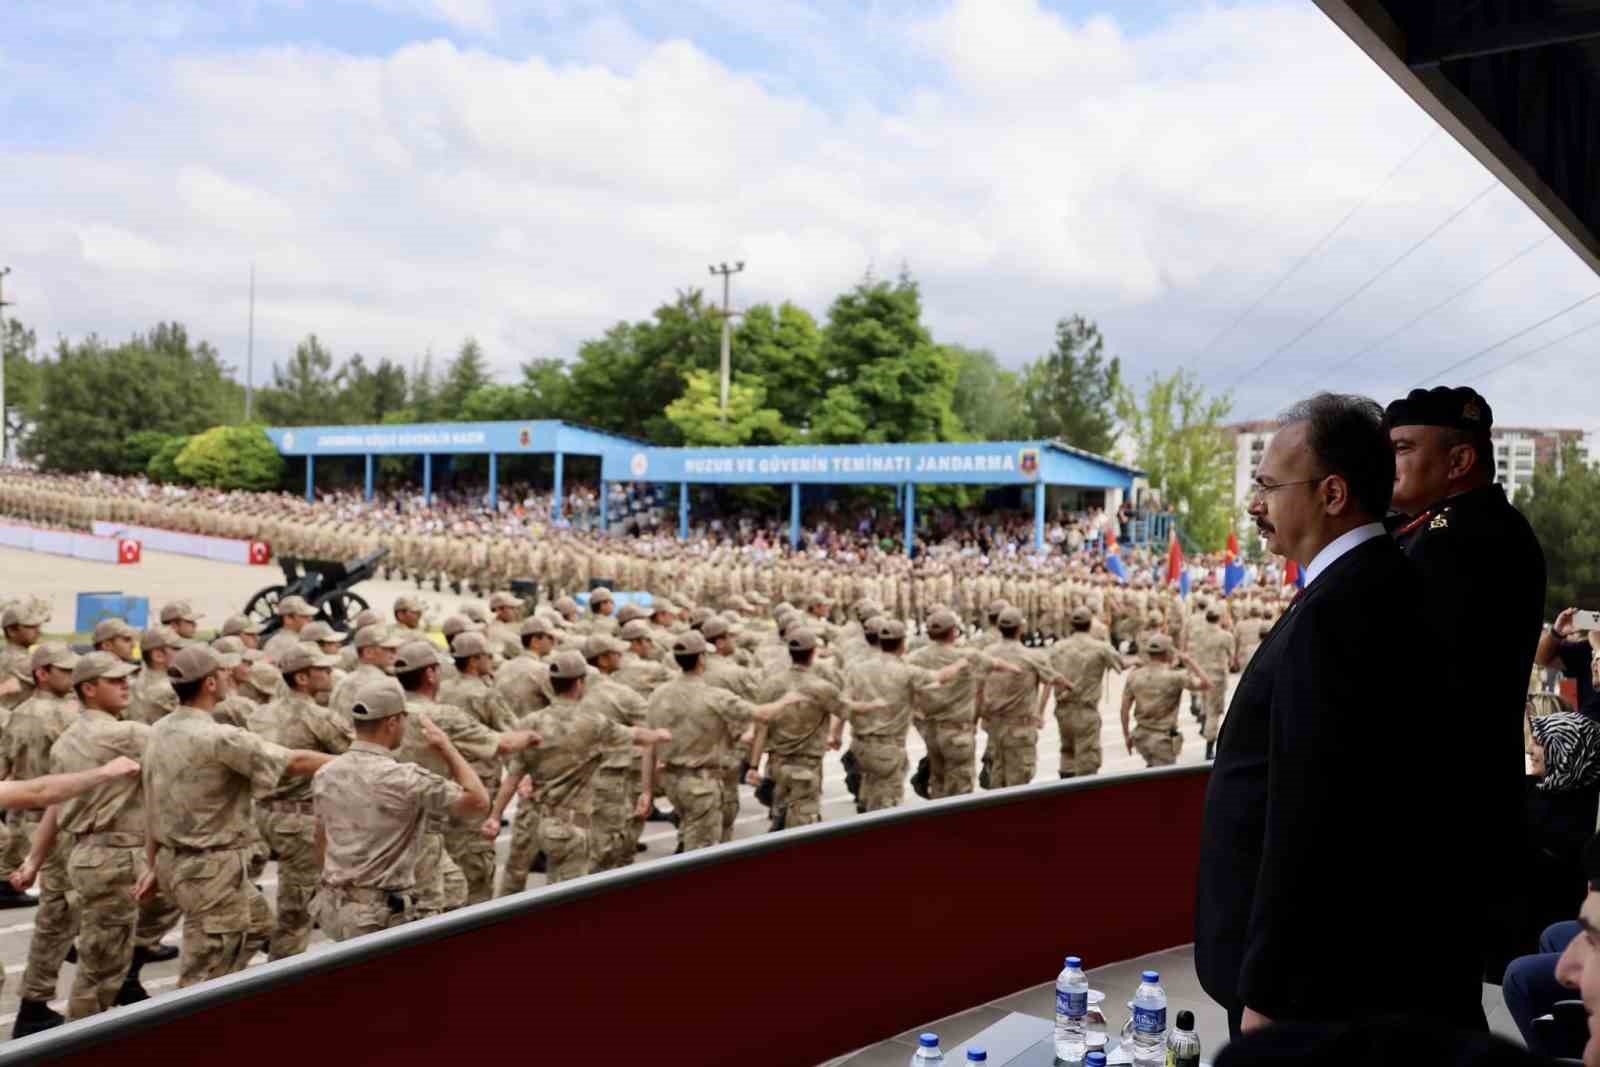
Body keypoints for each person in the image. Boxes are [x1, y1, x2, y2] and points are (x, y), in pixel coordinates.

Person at [1198, 393, 1469, 1037]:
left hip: (1307, 991)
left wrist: (1271, 991)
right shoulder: (1372, 581)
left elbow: (1311, 823)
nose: (1253, 504)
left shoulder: (1340, 611)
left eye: (1267, 486)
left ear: (1333, 493)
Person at [1386, 386, 1547, 984]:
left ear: (1459, 461)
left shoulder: (1463, 541)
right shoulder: (1443, 530)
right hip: (1461, 800)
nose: (1390, 464)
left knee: (1426, 987)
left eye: (1403, 449)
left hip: (1442, 806)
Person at [138, 645, 337, 989]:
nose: (230, 676)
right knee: (201, 979)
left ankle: (230, 986)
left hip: (177, 861)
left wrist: (152, 863)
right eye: (224, 672)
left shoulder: (159, 729)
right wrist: (354, 763)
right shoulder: (219, 737)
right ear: (211, 683)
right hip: (210, 868)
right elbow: (293, 762)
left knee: (259, 925)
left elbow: (152, 801)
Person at [312, 678, 488, 941]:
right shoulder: (401, 778)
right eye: (405, 719)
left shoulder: (326, 773)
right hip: (377, 917)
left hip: (335, 906)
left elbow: (321, 839)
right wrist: (446, 746)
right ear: (392, 722)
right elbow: (478, 801)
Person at [484, 651, 667, 883]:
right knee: (580, 880)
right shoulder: (594, 719)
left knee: (536, 876)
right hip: (576, 821)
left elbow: (513, 775)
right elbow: (636, 735)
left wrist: (495, 815)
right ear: (580, 683)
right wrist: (658, 736)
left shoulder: (533, 721)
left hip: (543, 818)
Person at [644, 632, 796, 851]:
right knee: (702, 850)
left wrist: (647, 791)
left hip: (671, 781)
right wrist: (788, 699)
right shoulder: (714, 696)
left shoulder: (659, 694)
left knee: (689, 834)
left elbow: (650, 743)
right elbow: (761, 714)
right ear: (701, 658)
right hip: (701, 784)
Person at [249, 643, 352, 959]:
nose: (329, 673)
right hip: (301, 821)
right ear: (303, 678)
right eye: (322, 669)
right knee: (296, 914)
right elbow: (356, 757)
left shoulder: (259, 714)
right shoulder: (319, 717)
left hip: (262, 814)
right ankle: (281, 979)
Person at [3, 643, 84, 1035]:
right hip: (51, 819)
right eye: (63, 670)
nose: (70, 677)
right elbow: (68, 774)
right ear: (42, 674)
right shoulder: (63, 717)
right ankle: (34, 1005)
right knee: (59, 910)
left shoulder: (16, 715)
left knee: (60, 908)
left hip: (21, 816)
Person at [1047, 606, 1124, 777]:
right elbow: (1121, 664)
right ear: (1090, 624)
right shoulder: (1101, 648)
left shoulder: (1058, 647)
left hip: (1062, 710)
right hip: (1085, 711)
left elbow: (1048, 676)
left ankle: (1065, 789)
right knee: (1087, 761)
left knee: (1067, 753)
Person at [1120, 633, 1208, 767]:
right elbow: (1206, 684)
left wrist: (1127, 736)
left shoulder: (1135, 675)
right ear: (1168, 653)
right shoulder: (1176, 677)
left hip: (1140, 736)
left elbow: (1124, 709)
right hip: (1162, 741)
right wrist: (1189, 661)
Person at [1537, 609, 1600, 724]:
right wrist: (1556, 633)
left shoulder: (1596, 643)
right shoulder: (1587, 647)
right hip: (1586, 730)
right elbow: (1541, 659)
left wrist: (1598, 648)